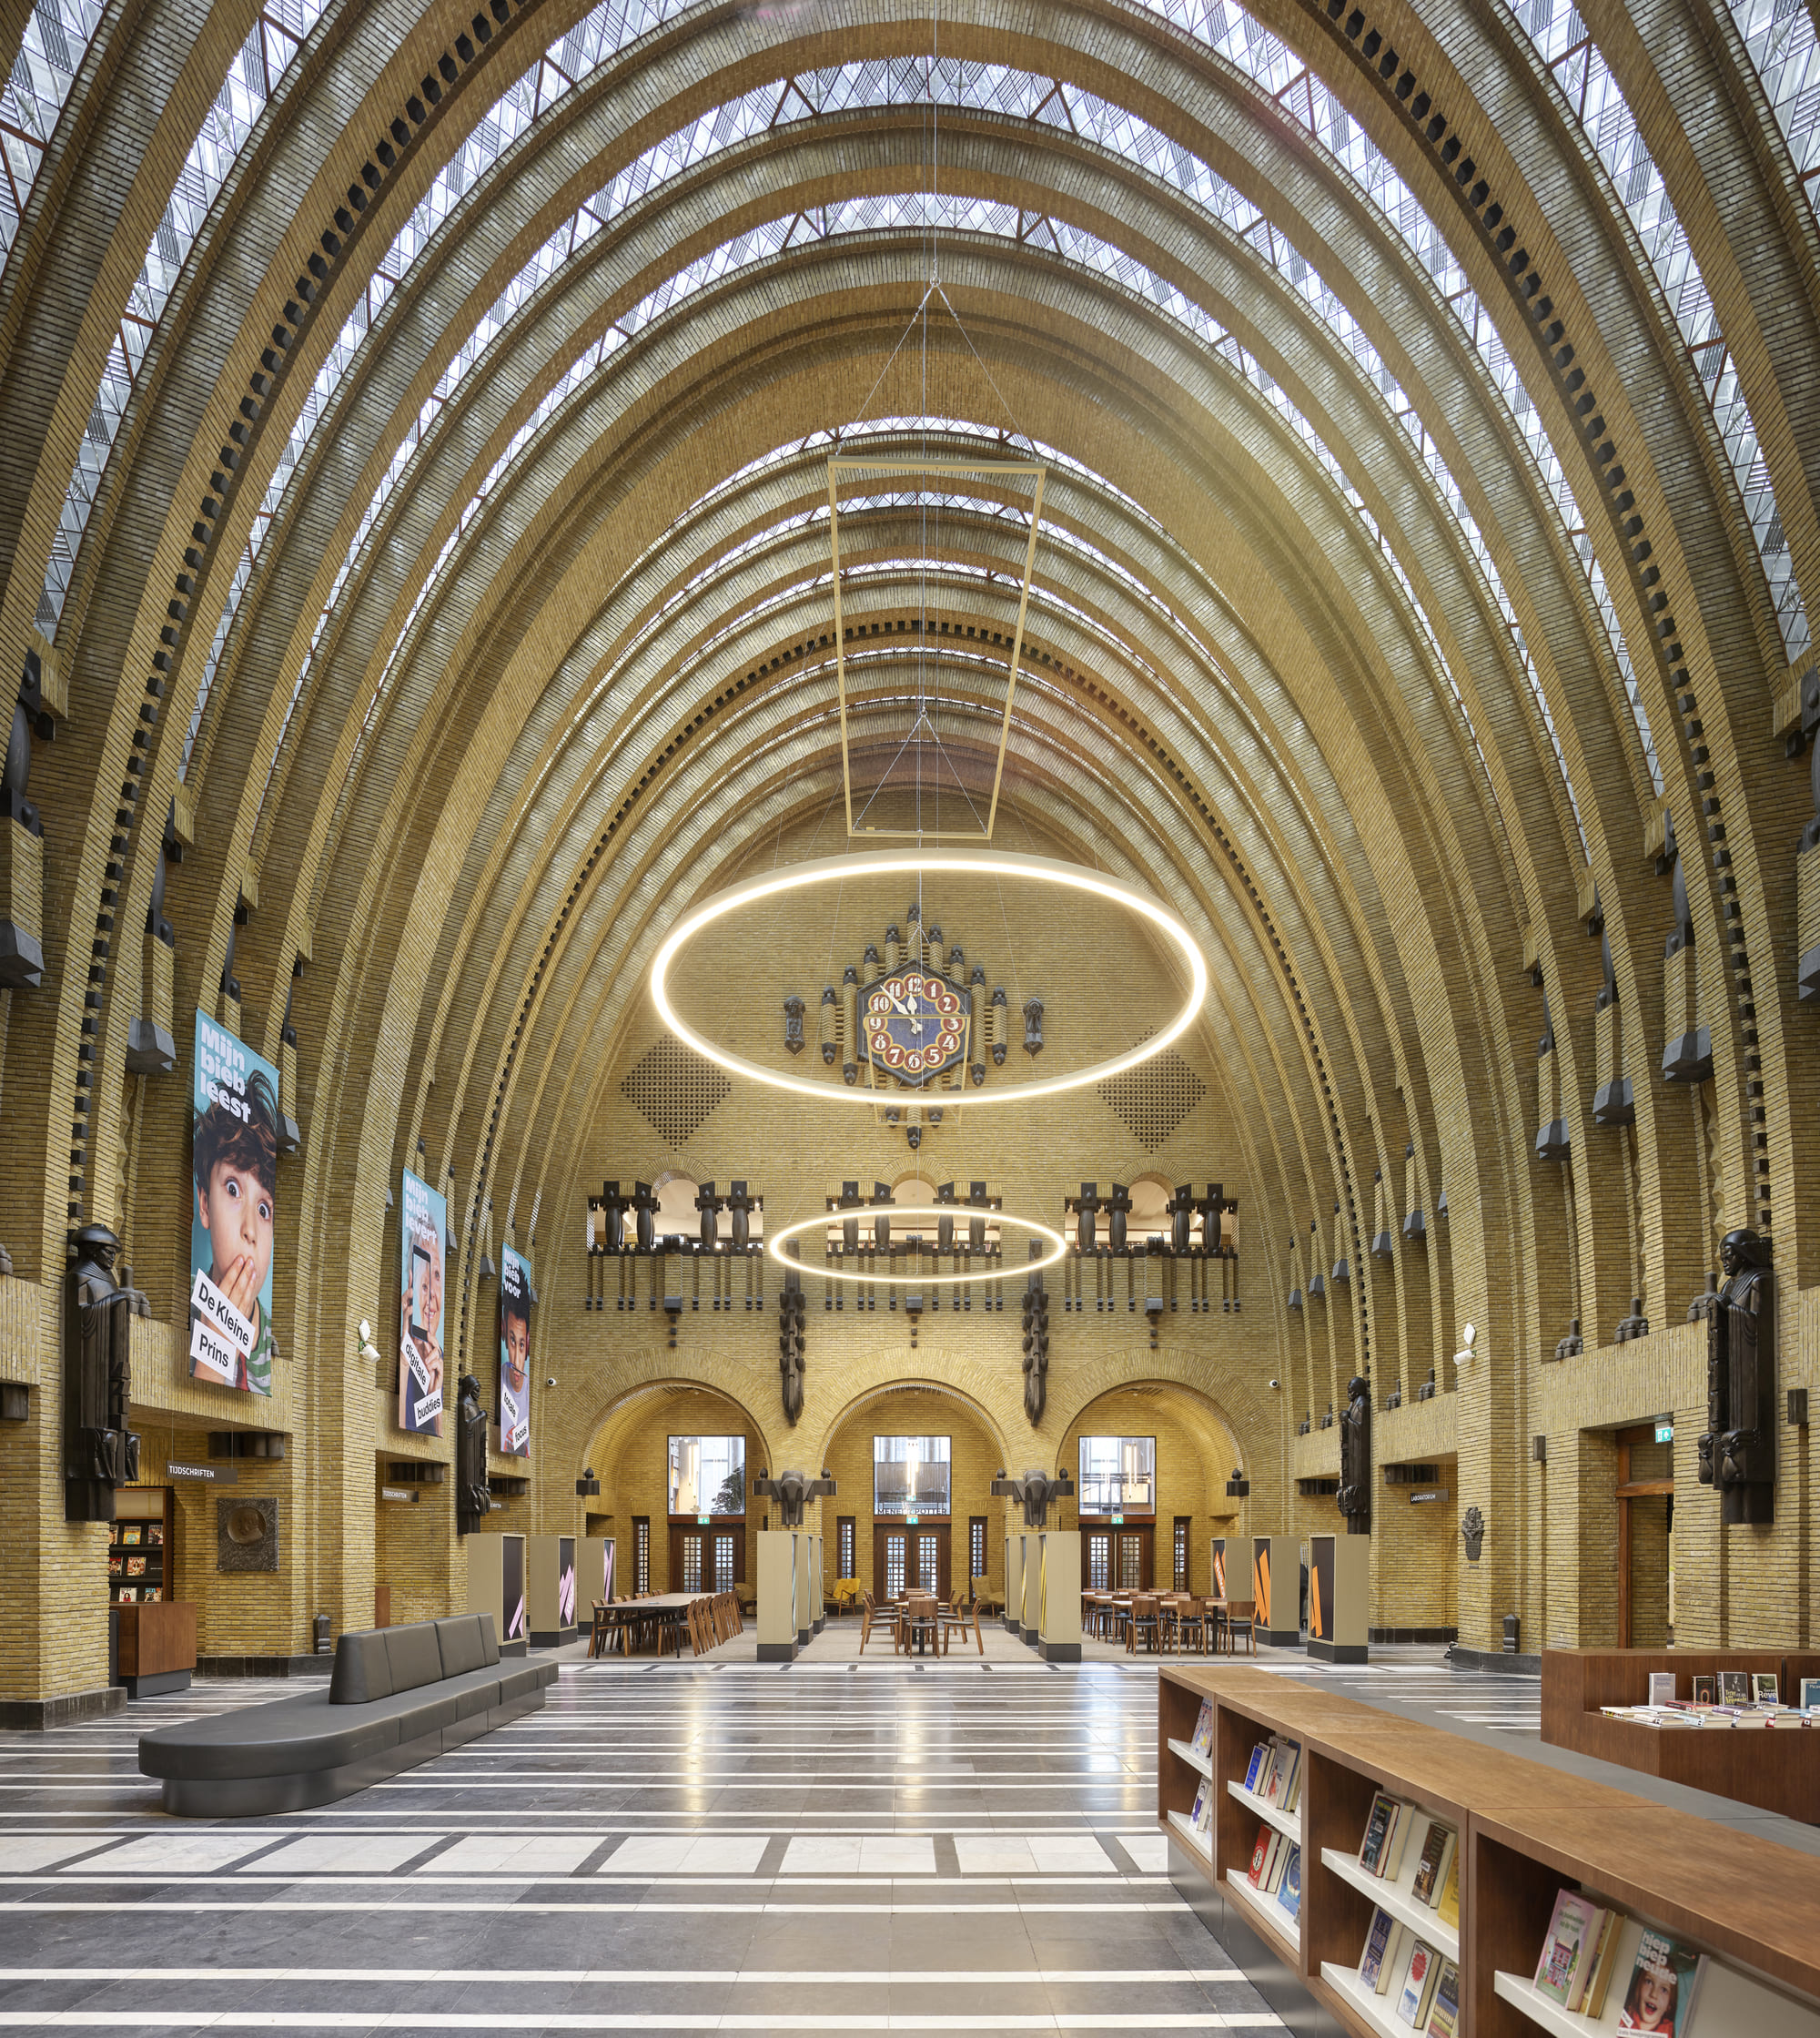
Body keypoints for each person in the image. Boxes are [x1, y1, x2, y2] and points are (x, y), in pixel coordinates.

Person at [192, 1068, 279, 1394]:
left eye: (263, 1210)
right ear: (205, 1205)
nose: (250, 1230)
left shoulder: (271, 1337)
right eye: (232, 1189)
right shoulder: (185, 1308)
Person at [500, 1279, 530, 1450]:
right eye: (512, 1341)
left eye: (522, 1344)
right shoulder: (500, 1377)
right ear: (503, 1331)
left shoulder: (529, 1393)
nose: (517, 1362)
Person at [1619, 1961, 1678, 2033]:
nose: (1653, 1994)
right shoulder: (1621, 2017)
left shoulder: (1668, 2032)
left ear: (1669, 2005)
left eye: (1664, 1990)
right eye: (1649, 1982)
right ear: (1638, 1987)